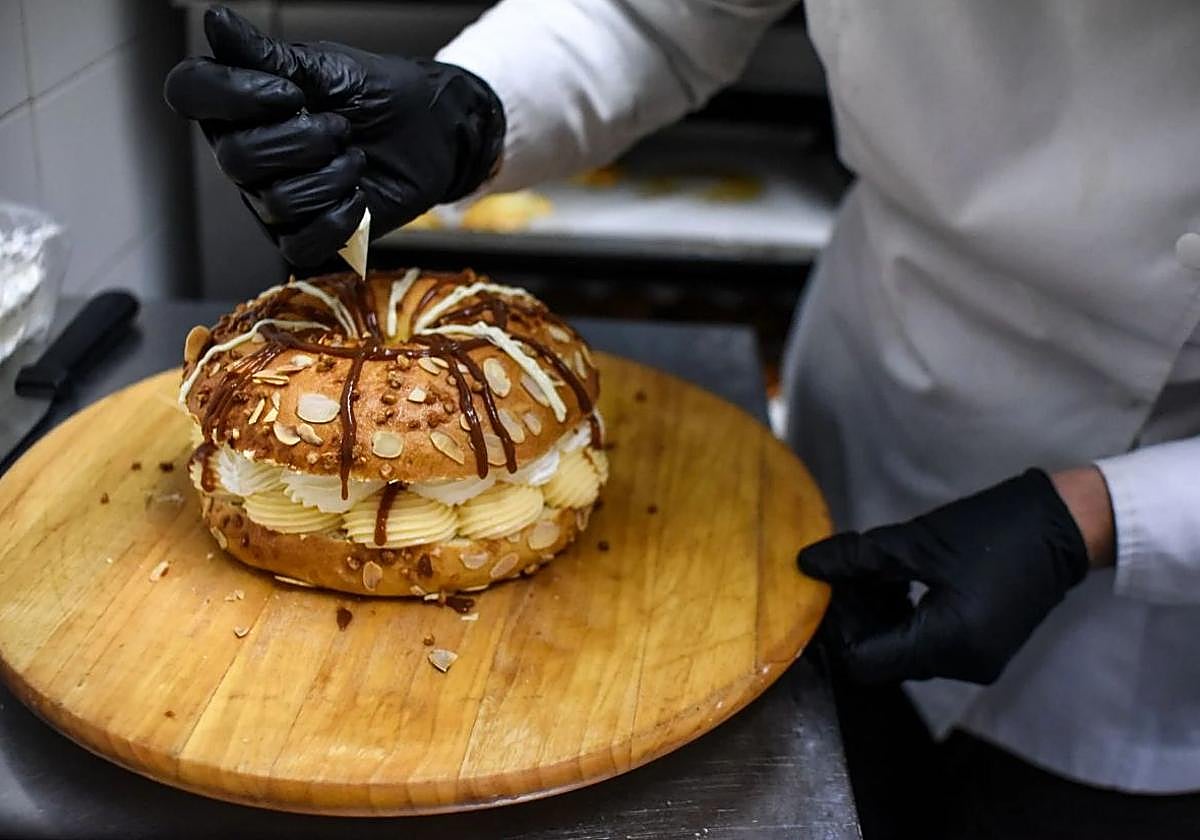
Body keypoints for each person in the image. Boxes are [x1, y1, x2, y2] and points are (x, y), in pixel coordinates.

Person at [164, 3, 1200, 836]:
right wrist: (475, 108)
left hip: (1156, 558)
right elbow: (661, 16)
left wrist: (1105, 517)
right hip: (876, 385)